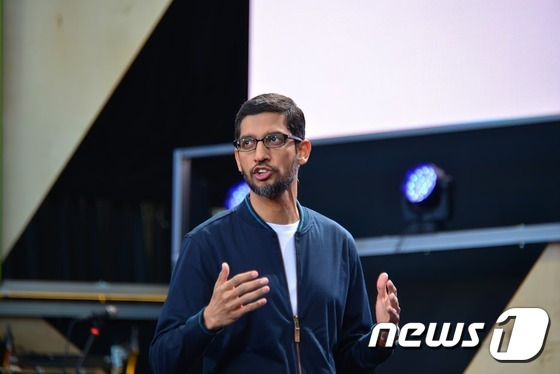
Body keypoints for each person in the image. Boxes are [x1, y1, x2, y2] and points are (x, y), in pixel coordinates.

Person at [149, 93, 400, 373]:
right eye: (247, 144)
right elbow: (163, 360)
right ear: (237, 158)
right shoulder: (206, 243)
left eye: (273, 139)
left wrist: (383, 335)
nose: (259, 155)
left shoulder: (338, 242)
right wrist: (207, 320)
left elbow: (349, 361)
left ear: (302, 151)